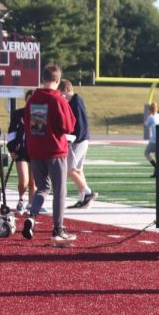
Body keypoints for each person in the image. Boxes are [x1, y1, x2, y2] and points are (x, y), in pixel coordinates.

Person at [22, 64, 77, 245]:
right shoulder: (57, 99)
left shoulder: (33, 99)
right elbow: (68, 126)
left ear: (42, 79)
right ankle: (58, 229)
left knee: (42, 188)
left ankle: (31, 216)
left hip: (36, 151)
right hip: (55, 151)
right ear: (58, 80)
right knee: (60, 190)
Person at [58, 80, 97, 209]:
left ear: (66, 90)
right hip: (80, 139)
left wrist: (72, 139)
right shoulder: (74, 102)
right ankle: (83, 199)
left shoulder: (76, 102)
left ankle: (87, 192)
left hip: (79, 140)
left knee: (70, 169)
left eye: (60, 92)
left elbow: (80, 124)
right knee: (78, 169)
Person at [142, 101, 159, 176]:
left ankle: (156, 167)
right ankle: (156, 172)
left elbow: (145, 125)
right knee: (158, 157)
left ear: (150, 109)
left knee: (146, 153)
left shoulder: (150, 117)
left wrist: (147, 117)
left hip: (154, 139)